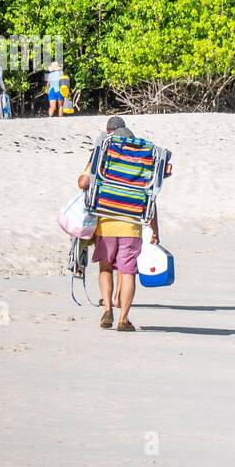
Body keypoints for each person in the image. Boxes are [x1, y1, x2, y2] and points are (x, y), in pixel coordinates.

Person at [77, 116, 159, 332]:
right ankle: (123, 318)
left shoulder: (105, 156)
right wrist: (155, 230)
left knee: (105, 267)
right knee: (128, 272)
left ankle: (107, 310)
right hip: (131, 226)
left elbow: (83, 183)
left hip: (106, 223)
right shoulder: (143, 163)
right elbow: (151, 198)